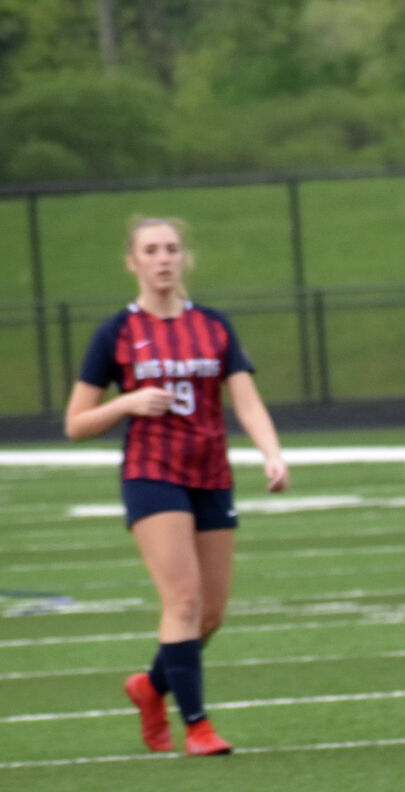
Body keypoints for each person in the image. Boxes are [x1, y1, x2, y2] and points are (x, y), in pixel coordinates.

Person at [64, 217, 289, 757]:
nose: (163, 258)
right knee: (183, 600)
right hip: (152, 474)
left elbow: (246, 400)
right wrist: (125, 402)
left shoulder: (213, 325)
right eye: (151, 250)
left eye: (171, 249)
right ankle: (197, 726)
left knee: (209, 615)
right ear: (133, 262)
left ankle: (149, 687)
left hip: (210, 473)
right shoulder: (116, 332)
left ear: (183, 258)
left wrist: (272, 453)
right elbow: (76, 423)